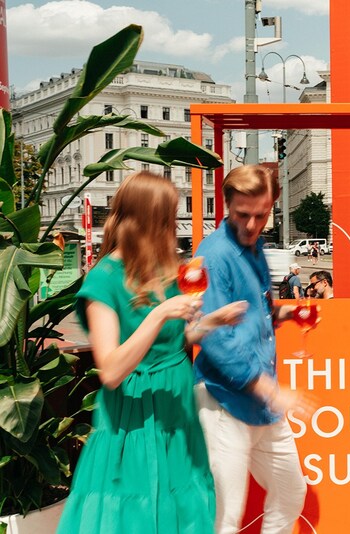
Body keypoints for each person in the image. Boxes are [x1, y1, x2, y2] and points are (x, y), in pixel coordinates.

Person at [57, 172, 246, 533]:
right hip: (133, 420)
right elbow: (111, 371)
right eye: (168, 218)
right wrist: (160, 313)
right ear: (147, 220)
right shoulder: (104, 279)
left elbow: (179, 338)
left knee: (184, 513)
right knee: (135, 517)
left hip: (176, 416)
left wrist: (212, 322)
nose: (172, 227)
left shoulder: (166, 272)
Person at [193, 165, 314, 534]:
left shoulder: (255, 246)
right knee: (225, 517)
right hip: (224, 400)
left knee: (292, 490)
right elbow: (210, 336)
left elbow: (253, 311)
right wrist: (270, 390)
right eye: (242, 215)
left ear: (273, 205)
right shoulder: (212, 254)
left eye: (260, 215)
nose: (250, 225)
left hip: (259, 400)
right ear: (226, 205)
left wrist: (287, 312)